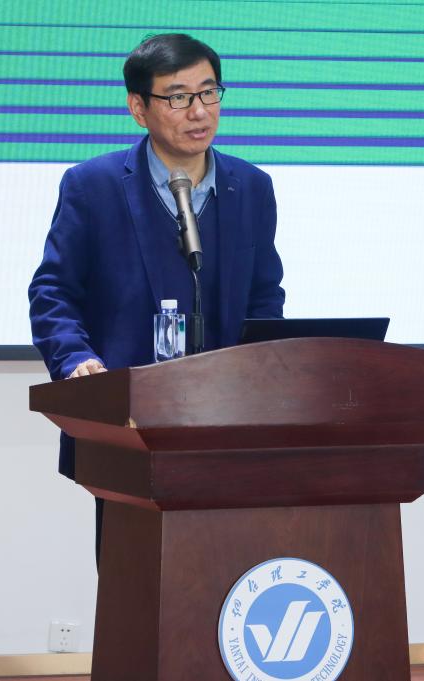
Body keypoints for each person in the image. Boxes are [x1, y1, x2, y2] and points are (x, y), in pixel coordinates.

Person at [28, 33, 285, 560]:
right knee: (135, 578)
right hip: (129, 431)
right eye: (178, 97)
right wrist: (76, 360)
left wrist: (267, 371)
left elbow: (265, 299)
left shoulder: (251, 187)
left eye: (209, 92)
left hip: (230, 429)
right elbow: (53, 291)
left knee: (228, 576)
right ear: (138, 108)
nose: (199, 111)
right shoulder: (92, 186)